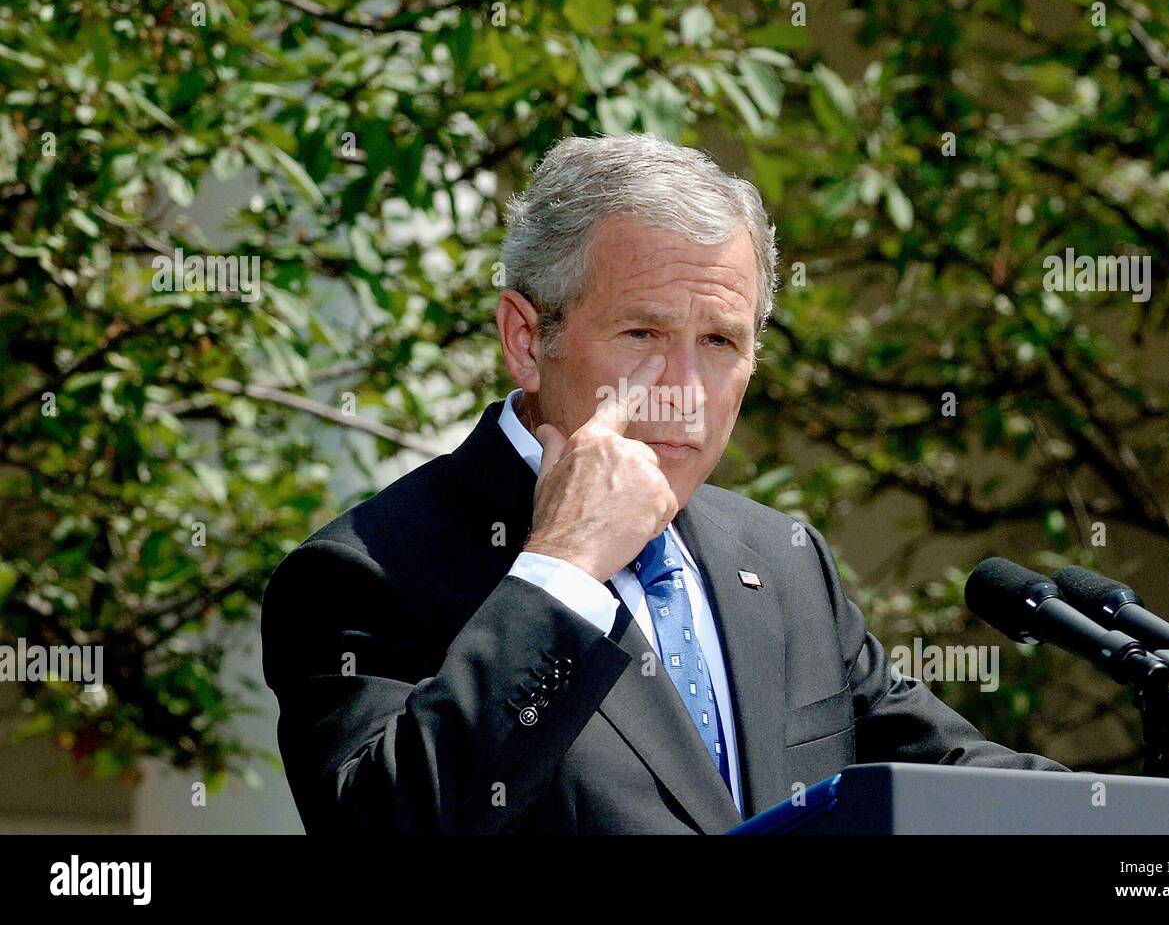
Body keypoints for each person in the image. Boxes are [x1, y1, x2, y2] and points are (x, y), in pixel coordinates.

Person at [260, 132, 1069, 834]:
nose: (682, 386)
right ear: (526, 338)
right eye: (642, 331)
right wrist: (563, 568)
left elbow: (956, 779)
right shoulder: (366, 570)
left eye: (719, 339)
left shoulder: (781, 560)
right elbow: (388, 825)